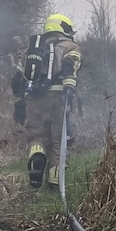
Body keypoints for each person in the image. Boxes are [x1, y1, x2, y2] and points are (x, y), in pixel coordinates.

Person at [11, 13, 81, 189]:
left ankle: (37, 157)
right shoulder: (70, 46)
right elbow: (68, 66)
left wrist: (18, 103)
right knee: (58, 139)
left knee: (37, 136)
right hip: (58, 97)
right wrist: (69, 90)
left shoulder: (32, 49)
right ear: (63, 27)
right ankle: (55, 181)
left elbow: (16, 79)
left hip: (34, 98)